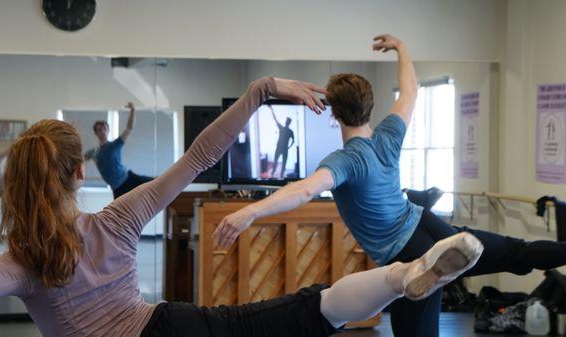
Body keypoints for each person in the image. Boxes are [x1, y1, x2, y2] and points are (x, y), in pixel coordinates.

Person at [0, 76, 483, 337]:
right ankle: (401, 276)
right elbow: (199, 157)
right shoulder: (119, 219)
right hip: (169, 329)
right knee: (303, 311)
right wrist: (260, 92)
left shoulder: (20, 265)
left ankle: (404, 275)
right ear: (82, 172)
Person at [213, 34, 566, 337]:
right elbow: (410, 90)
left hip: (411, 258)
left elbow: (304, 190)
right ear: (371, 106)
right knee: (517, 252)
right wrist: (401, 47)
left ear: (334, 114)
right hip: (433, 227)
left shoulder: (344, 161)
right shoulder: (389, 136)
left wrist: (248, 212)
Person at [85, 102, 153, 199]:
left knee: (156, 183)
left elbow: (129, 128)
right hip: (117, 189)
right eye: (99, 130)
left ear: (108, 130)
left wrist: (133, 110)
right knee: (120, 214)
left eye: (104, 128)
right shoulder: (94, 153)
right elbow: (78, 159)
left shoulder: (115, 144)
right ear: (96, 133)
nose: (102, 131)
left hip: (129, 179)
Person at [268, 105, 295, 178]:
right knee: (276, 161)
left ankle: (281, 175)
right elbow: (275, 119)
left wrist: (289, 147)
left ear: (289, 123)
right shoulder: (282, 128)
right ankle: (273, 173)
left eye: (288, 121)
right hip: (280, 148)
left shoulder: (290, 131)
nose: (286, 122)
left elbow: (293, 140)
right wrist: (271, 110)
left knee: (283, 163)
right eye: (286, 121)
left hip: (284, 149)